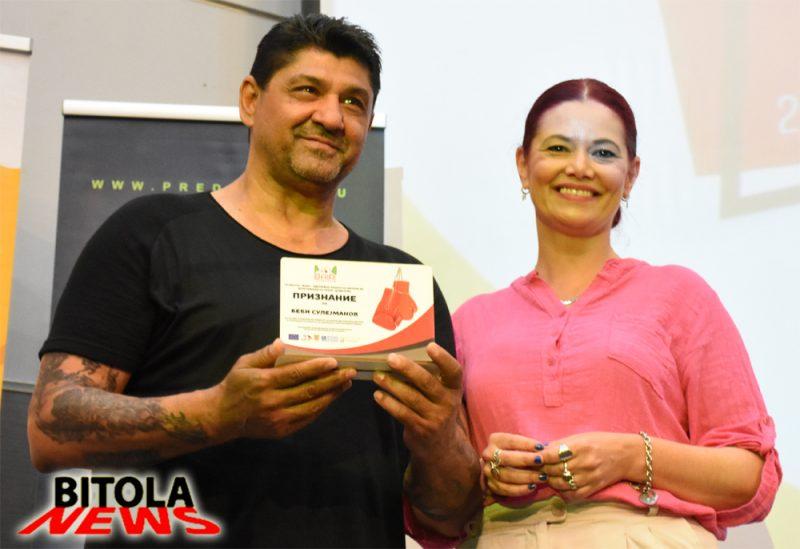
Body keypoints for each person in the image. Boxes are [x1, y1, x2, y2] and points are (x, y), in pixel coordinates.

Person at [29, 14, 480, 547]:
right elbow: (51, 429)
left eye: (354, 102)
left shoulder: (403, 285)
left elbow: (449, 518)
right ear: (250, 99)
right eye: (307, 90)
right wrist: (220, 414)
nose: (332, 117)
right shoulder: (150, 235)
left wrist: (438, 437)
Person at [452, 79, 780, 547]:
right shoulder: (470, 322)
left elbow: (747, 473)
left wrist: (631, 456)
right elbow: (434, 498)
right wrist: (486, 474)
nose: (579, 167)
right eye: (558, 148)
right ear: (523, 164)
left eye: (603, 153)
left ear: (630, 175)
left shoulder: (681, 296)